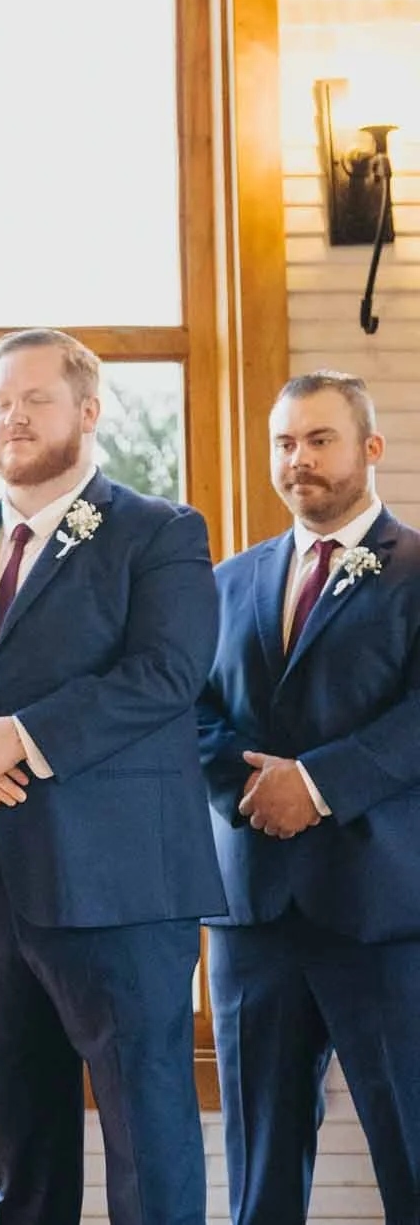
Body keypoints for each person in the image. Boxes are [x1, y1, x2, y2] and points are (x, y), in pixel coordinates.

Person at [0, 328, 223, 1224]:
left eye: (35, 399)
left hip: (118, 890)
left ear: (88, 411)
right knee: (23, 1157)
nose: (13, 417)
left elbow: (167, 673)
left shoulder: (161, 532)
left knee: (148, 1147)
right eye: (0, 402)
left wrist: (19, 739)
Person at [199, 370, 420, 1224]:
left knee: (411, 1155)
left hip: (384, 912)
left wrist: (318, 785)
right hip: (251, 913)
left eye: (320, 439)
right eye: (284, 442)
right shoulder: (227, 582)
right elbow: (188, 710)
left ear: (371, 447)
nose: (299, 459)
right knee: (259, 1173)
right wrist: (254, 788)